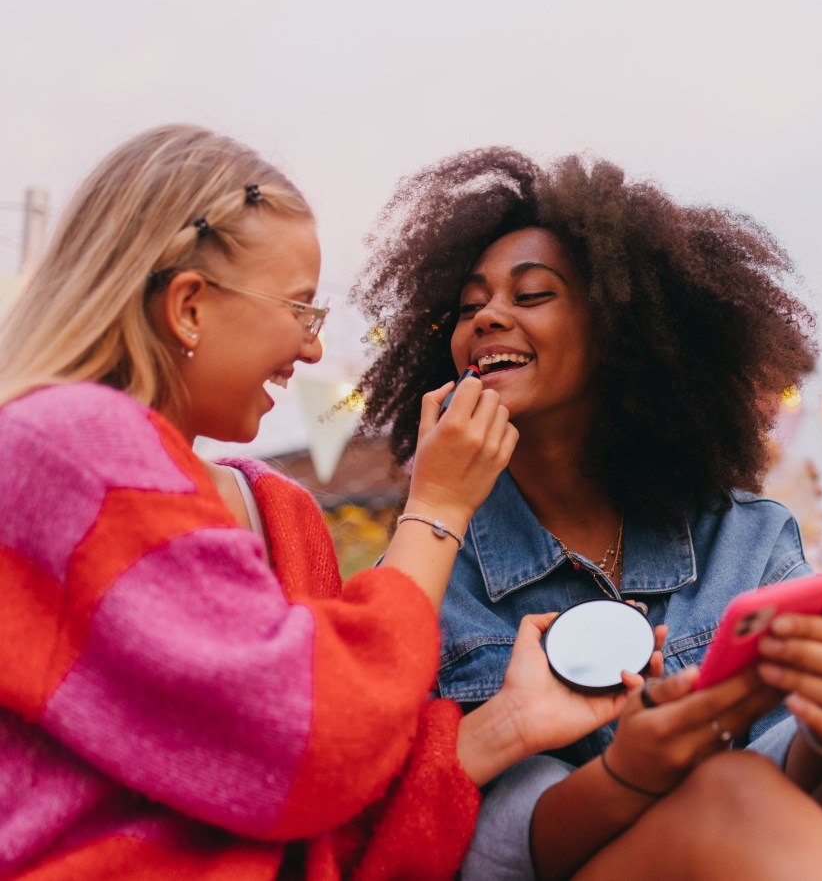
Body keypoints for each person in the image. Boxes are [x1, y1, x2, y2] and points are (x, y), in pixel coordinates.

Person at [355, 148, 822, 880]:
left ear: (621, 330)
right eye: (468, 305)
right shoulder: (428, 574)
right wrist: (631, 776)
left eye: (530, 295)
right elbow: (488, 846)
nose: (487, 317)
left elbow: (800, 756)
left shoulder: (746, 538)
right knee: (726, 789)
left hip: (762, 841)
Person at [0, 126, 642, 881]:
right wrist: (435, 510)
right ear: (189, 308)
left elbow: (326, 826)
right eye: (301, 309)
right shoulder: (65, 448)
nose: (312, 351)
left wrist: (508, 723)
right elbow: (310, 746)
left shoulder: (282, 513)